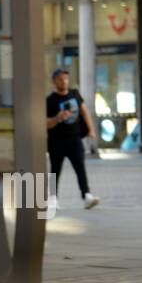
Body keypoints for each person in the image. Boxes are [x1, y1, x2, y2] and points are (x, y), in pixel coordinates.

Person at [46, 68, 100, 209]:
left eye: (66, 79)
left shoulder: (74, 94)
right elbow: (46, 123)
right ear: (54, 81)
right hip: (56, 141)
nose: (64, 81)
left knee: (80, 167)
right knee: (55, 170)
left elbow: (84, 112)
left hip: (74, 139)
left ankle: (87, 195)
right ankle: (52, 199)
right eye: (60, 79)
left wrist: (91, 129)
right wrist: (58, 118)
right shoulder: (50, 100)